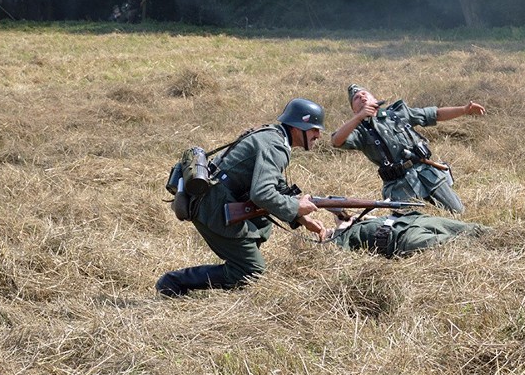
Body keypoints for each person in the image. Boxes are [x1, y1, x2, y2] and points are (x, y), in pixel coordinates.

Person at [156, 98, 328, 297]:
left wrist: (301, 218)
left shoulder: (272, 136)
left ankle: (237, 266)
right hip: (213, 205)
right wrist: (296, 207)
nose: (318, 135)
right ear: (299, 127)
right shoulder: (276, 146)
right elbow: (262, 193)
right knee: (250, 271)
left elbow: (273, 183)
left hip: (214, 199)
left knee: (260, 226)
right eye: (315, 129)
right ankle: (173, 282)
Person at [331, 84, 486, 214]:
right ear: (354, 109)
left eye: (365, 94)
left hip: (427, 174)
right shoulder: (360, 131)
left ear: (375, 99)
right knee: (413, 224)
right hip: (400, 186)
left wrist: (464, 110)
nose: (362, 97)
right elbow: (336, 141)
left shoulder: (398, 113)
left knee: (458, 212)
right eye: (356, 98)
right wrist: (359, 118)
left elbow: (434, 114)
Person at [324, 210, 490, 257]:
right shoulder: (344, 237)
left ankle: (508, 239)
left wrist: (358, 217)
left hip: (417, 221)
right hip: (404, 239)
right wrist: (340, 228)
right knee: (453, 243)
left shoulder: (361, 220)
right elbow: (335, 253)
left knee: (475, 230)